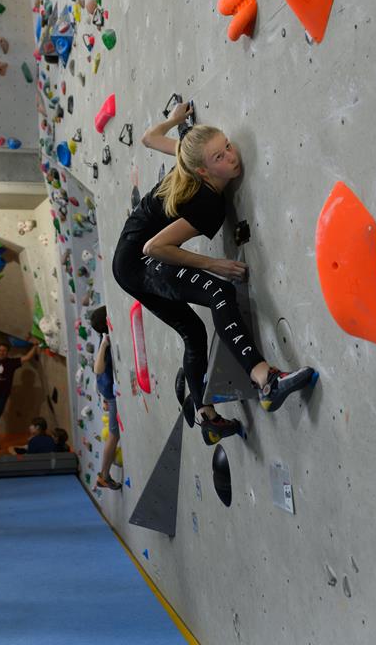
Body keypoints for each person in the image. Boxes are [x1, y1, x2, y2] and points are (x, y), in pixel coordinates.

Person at [112, 102, 317, 443]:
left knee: (193, 332)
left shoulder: (190, 155)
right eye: (219, 158)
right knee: (219, 291)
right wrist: (213, 264)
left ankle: (206, 418)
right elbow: (154, 248)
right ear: (203, 172)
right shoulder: (207, 204)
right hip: (138, 261)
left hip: (130, 262)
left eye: (227, 147)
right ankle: (266, 380)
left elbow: (149, 138)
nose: (231, 157)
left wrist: (176, 120)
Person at [0, 340, 38, 450]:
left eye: (4, 351)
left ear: (8, 352)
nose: (1, 352)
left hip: (1, 396)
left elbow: (26, 357)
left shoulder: (11, 363)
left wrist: (36, 346)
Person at [90, 306, 121, 491]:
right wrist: (104, 344)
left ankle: (104, 475)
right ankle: (104, 475)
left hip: (107, 390)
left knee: (114, 433)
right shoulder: (106, 340)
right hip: (111, 392)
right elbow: (98, 369)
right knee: (114, 434)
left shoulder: (106, 336)